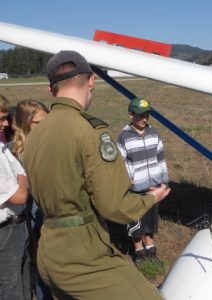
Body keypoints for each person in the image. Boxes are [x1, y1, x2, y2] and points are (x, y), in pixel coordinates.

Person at [23, 50, 170, 299]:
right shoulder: (92, 131)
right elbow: (114, 205)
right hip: (82, 256)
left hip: (48, 250)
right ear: (91, 80)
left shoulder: (36, 132)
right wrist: (151, 198)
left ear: (51, 90)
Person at [9, 99, 52, 300]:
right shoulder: (12, 152)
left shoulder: (52, 144)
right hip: (25, 216)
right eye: (37, 123)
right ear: (25, 123)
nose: (44, 127)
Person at [117, 97, 169, 261]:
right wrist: (127, 180)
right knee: (136, 222)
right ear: (131, 114)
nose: (144, 119)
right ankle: (139, 252)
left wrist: (164, 180)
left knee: (151, 221)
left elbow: (161, 158)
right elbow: (121, 162)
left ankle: (150, 249)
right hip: (135, 190)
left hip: (153, 187)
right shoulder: (124, 137)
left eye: (147, 115)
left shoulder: (154, 133)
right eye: (140, 115)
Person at [0, 137, 31, 300]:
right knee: (10, 288)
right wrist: (21, 174)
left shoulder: (3, 149)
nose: (5, 123)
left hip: (18, 225)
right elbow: (20, 196)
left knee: (23, 283)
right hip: (5, 231)